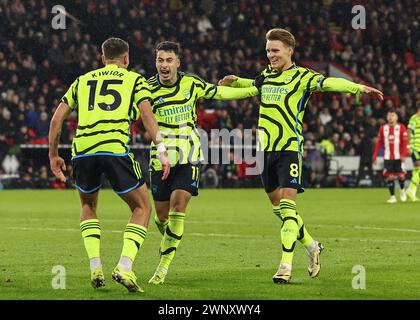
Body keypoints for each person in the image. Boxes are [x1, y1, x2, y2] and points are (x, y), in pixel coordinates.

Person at [219, 28, 383, 283]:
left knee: (287, 207)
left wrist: (356, 88)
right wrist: (235, 81)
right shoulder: (266, 76)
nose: (270, 55)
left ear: (289, 51)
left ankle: (285, 265)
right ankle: (312, 246)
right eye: (267, 51)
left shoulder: (302, 77)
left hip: (289, 150)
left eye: (275, 51)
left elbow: (328, 83)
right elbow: (251, 87)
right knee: (281, 212)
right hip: (265, 152)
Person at [48, 37, 170, 293]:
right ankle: (124, 266)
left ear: (103, 58)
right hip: (114, 149)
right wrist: (161, 148)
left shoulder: (82, 80)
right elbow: (147, 115)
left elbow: (57, 118)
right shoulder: (134, 79)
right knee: (142, 207)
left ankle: (95, 266)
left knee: (88, 205)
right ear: (126, 59)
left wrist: (53, 155)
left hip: (83, 152)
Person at [146, 41, 259, 285]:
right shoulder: (146, 89)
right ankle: (169, 240)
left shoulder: (192, 83)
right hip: (161, 158)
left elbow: (221, 93)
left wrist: (253, 90)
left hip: (189, 155)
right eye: (160, 60)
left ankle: (162, 267)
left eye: (168, 60)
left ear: (178, 62)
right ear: (156, 63)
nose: (164, 65)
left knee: (178, 207)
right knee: (162, 217)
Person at [372, 109, 408, 203]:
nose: (390, 117)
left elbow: (405, 143)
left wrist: (403, 155)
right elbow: (379, 143)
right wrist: (375, 157)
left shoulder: (401, 127)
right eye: (389, 115)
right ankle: (392, 197)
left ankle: (402, 190)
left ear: (396, 117)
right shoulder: (383, 128)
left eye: (392, 115)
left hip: (398, 157)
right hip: (387, 157)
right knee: (390, 176)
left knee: (401, 176)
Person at [406, 102, 420, 201]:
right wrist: (408, 146)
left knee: (417, 170)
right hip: (415, 148)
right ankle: (411, 190)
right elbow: (408, 132)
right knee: (419, 169)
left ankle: (412, 192)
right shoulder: (414, 118)